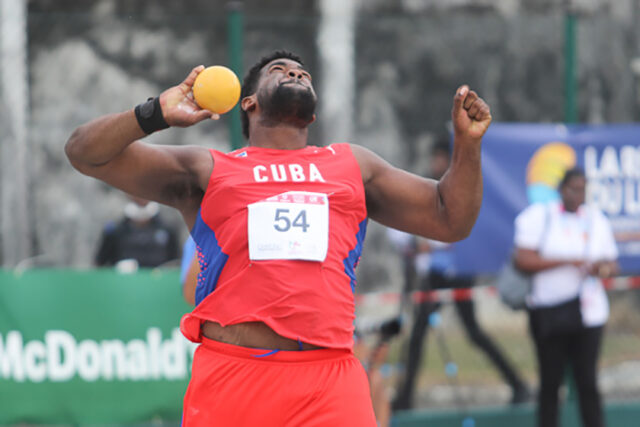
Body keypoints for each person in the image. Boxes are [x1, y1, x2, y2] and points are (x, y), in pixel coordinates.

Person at [65, 50, 491, 426]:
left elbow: (449, 218)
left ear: (314, 113)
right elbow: (84, 153)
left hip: (329, 380)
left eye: (304, 74)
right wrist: (155, 112)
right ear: (247, 101)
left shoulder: (351, 164)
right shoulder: (208, 169)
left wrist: (467, 148)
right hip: (235, 378)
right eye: (280, 70)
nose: (297, 74)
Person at [392, 141, 529, 411]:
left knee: (473, 333)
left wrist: (429, 245)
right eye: (435, 158)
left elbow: (462, 230)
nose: (436, 164)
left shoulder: (462, 186)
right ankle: (406, 397)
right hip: (436, 273)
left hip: (459, 270)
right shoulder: (429, 185)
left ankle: (518, 385)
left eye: (441, 158)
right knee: (418, 333)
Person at [513, 167, 618, 427]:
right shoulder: (540, 216)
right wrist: (567, 262)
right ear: (561, 189)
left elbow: (611, 264)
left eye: (582, 189)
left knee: (588, 384)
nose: (577, 194)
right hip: (550, 313)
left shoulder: (596, 220)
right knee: (550, 385)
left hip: (588, 315)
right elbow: (523, 259)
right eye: (572, 188)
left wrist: (599, 268)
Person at [95, 194, 179, 268]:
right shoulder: (115, 231)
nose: (141, 199)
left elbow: (175, 264)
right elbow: (100, 264)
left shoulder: (167, 230)